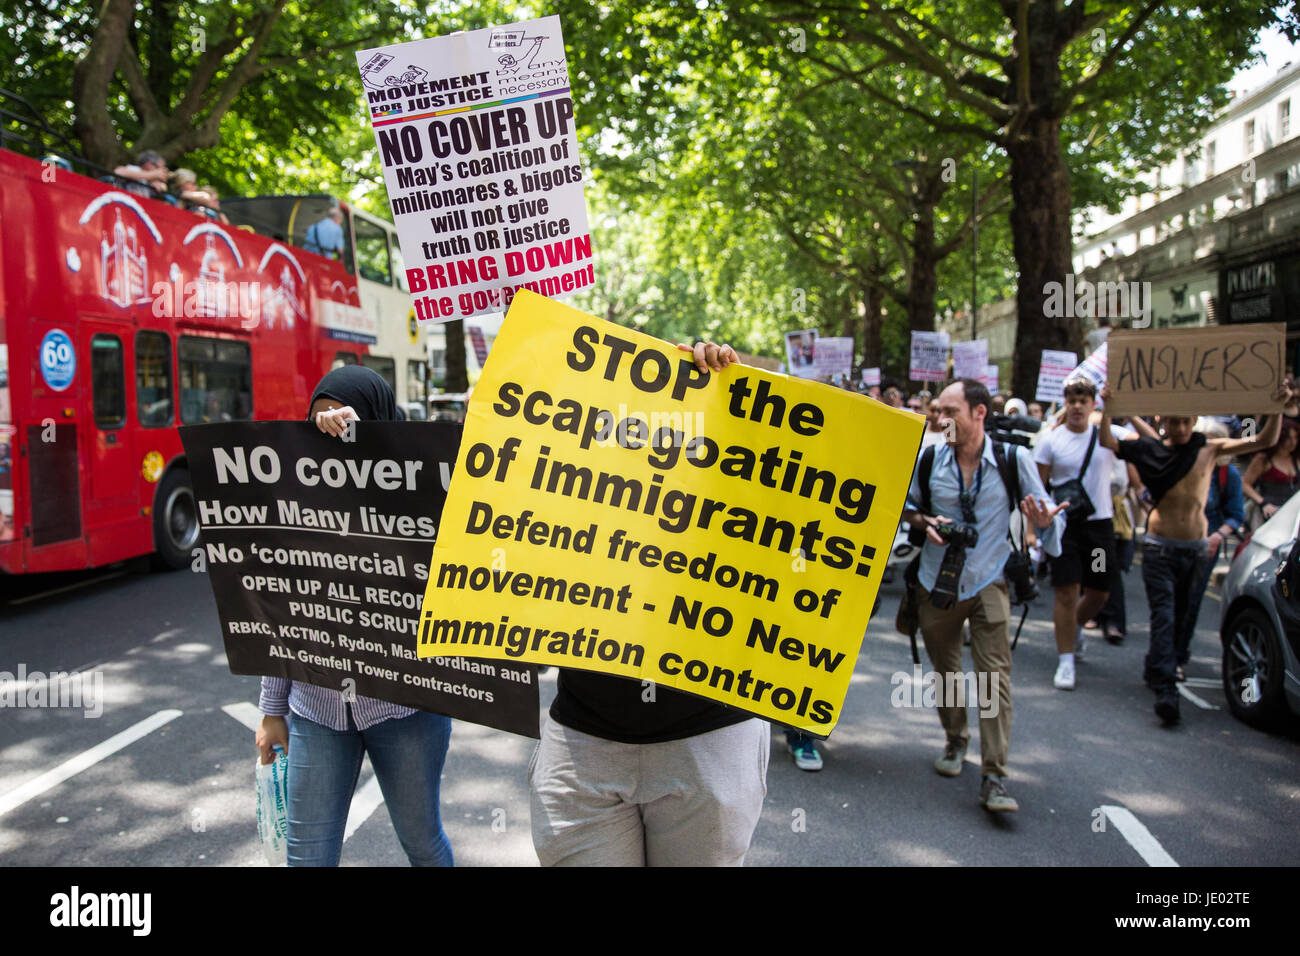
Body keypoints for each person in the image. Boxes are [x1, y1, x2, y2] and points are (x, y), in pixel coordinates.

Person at [529, 341, 771, 866]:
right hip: (585, 743)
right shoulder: (571, 488)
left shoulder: (735, 500)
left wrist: (746, 395)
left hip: (709, 739)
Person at [256, 365, 453, 866]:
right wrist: (271, 710)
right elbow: (283, 610)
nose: (330, 430)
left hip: (405, 710)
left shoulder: (420, 488)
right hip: (316, 710)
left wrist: (372, 449)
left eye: (343, 420)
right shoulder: (294, 498)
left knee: (423, 845)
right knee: (307, 858)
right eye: (318, 420)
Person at [902, 379, 1066, 813]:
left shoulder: (1015, 460)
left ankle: (994, 774)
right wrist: (924, 523)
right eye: (938, 411)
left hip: (990, 580)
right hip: (936, 582)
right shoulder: (930, 458)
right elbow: (907, 509)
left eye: (950, 411)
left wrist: (1045, 522)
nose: (941, 419)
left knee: (994, 678)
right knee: (947, 673)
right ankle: (956, 741)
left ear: (979, 413)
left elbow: (1049, 524)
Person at [1098, 378, 1297, 724]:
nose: (1178, 427)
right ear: (1163, 422)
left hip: (1195, 550)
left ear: (1194, 422)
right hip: (1160, 549)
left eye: (1185, 421)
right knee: (1164, 615)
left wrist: (1276, 407)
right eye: (1172, 421)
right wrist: (1110, 409)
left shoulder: (1210, 450)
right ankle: (1166, 689)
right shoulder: (1152, 449)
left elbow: (1261, 439)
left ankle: (1158, 665)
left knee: (1183, 618)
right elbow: (1107, 440)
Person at [1033, 378, 1132, 690]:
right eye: (1072, 400)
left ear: (1093, 405)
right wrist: (1036, 530)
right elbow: (1038, 488)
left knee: (1100, 591)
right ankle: (1066, 660)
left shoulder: (1109, 435)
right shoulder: (1050, 440)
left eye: (1083, 400)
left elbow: (1152, 441)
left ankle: (1073, 627)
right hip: (1066, 528)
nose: (1077, 406)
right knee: (1066, 591)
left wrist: (1119, 408)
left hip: (1099, 529)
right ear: (1065, 402)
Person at [1175, 418, 1246, 681]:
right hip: (1175, 541)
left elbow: (1236, 515)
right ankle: (1164, 653)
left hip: (1206, 545)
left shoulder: (1229, 474)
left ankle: (1178, 656)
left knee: (1190, 600)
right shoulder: (1182, 464)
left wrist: (1218, 536)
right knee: (1168, 599)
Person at [1240, 419, 1299, 528]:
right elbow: (1245, 484)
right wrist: (1263, 503)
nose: (1293, 442)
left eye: (1295, 438)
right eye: (1288, 438)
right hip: (1271, 512)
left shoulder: (1296, 459)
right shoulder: (1263, 459)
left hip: (1294, 513)